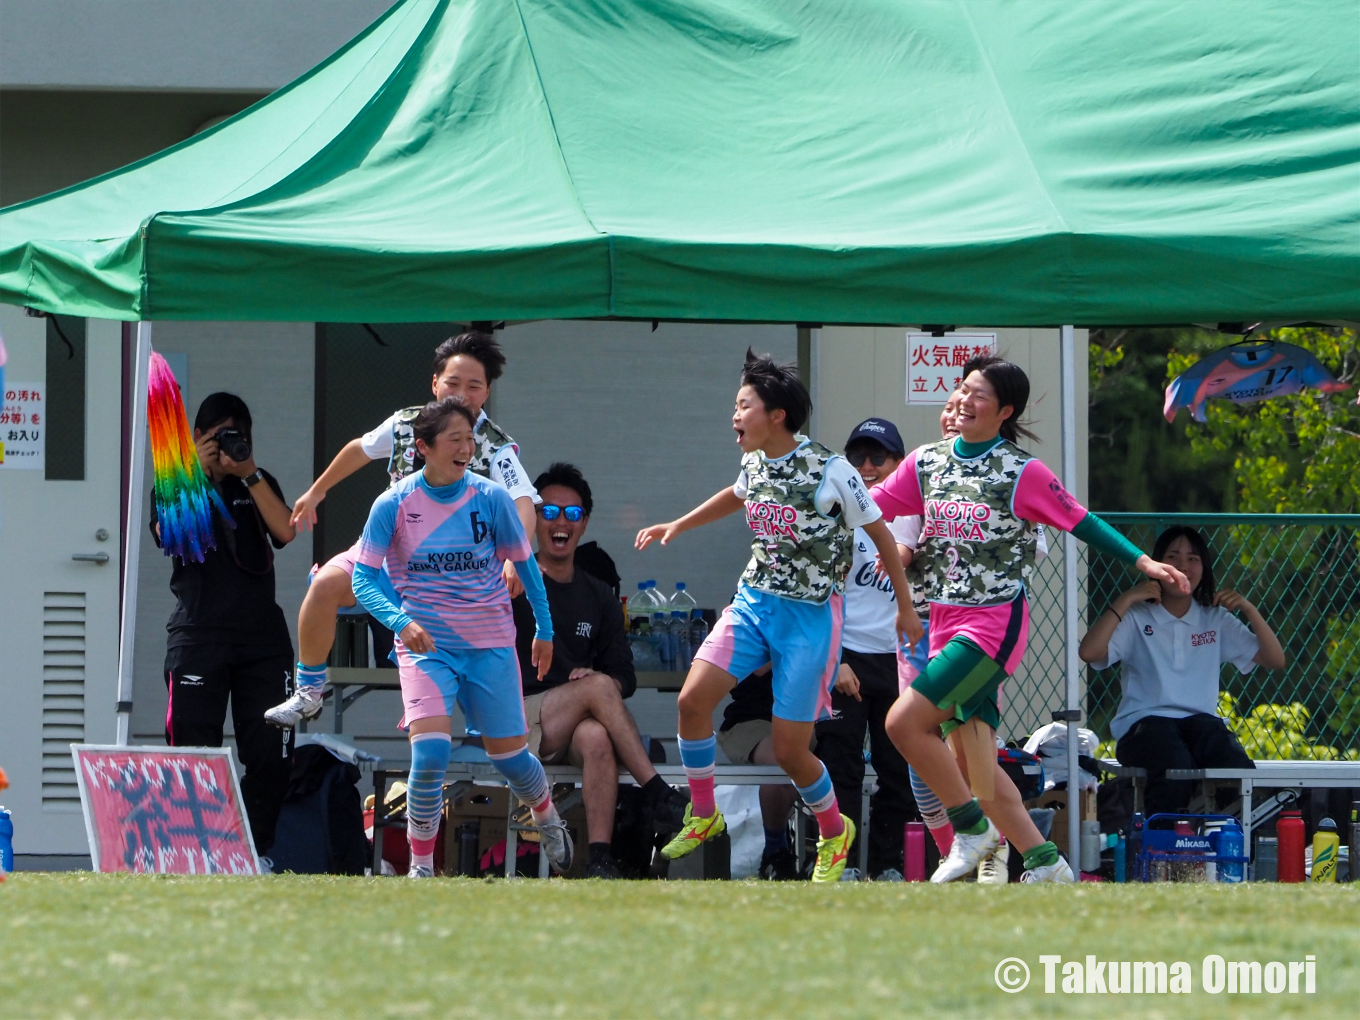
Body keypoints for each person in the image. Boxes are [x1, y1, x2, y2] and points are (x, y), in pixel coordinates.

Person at [871, 356, 1190, 883]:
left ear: (1005, 411)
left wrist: (1142, 561)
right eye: (963, 389)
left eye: (979, 395)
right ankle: (1047, 864)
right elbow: (874, 506)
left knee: (903, 723)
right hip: (943, 624)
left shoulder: (1020, 471)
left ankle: (971, 831)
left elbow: (1080, 520)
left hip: (991, 627)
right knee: (975, 760)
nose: (964, 401)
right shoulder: (926, 461)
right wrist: (819, 497)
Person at [636, 349, 920, 883]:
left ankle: (836, 832)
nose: (735, 416)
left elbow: (882, 536)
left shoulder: (833, 469)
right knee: (692, 701)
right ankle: (703, 811)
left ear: (777, 415)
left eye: (744, 405)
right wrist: (679, 524)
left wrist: (905, 608)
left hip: (810, 618)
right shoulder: (754, 460)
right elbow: (737, 496)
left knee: (792, 751)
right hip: (754, 603)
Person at [266, 331, 539, 728]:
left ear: (486, 392)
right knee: (324, 584)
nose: (461, 393)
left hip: (452, 578)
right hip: (390, 555)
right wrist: (315, 492)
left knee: (484, 724)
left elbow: (524, 503)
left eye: (473, 386)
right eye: (452, 382)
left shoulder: (495, 446)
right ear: (434, 384)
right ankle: (308, 692)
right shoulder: (405, 424)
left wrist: (517, 557)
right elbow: (360, 448)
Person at [351, 397, 569, 878]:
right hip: (426, 645)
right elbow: (363, 580)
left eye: (470, 439)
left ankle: (546, 813)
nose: (467, 448)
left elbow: (527, 566)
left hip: (490, 643)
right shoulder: (393, 503)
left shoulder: (490, 498)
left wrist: (545, 630)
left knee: (511, 757)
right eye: (455, 439)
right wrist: (401, 622)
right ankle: (422, 869)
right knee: (430, 752)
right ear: (424, 447)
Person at [510, 462, 688, 878]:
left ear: (584, 523)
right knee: (597, 690)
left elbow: (624, 678)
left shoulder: (599, 597)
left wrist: (590, 676)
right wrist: (595, 687)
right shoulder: (513, 581)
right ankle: (660, 793)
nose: (560, 522)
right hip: (520, 718)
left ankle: (601, 859)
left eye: (571, 514)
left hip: (572, 723)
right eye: (549, 511)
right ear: (533, 518)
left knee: (595, 735)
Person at [152, 392, 298, 858]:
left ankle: (257, 854)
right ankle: (196, 851)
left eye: (237, 436)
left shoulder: (257, 481)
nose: (228, 445)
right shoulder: (173, 486)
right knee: (193, 749)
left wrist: (247, 471)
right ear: (197, 436)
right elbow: (171, 537)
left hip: (262, 640)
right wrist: (195, 472)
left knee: (271, 756)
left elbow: (286, 532)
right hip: (199, 634)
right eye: (219, 436)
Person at [1078, 525, 1284, 816]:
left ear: (1204, 568)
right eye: (1172, 557)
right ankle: (1162, 852)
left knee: (1230, 760)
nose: (1182, 567)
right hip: (1143, 727)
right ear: (1154, 566)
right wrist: (1126, 599)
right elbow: (1089, 652)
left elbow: (1275, 660)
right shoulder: (1136, 616)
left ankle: (1233, 847)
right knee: (1174, 762)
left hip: (1199, 726)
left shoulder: (1215, 618)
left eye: (1192, 559)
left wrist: (1249, 609)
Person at [814, 418, 922, 881]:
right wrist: (835, 659)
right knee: (841, 767)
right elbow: (818, 593)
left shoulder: (915, 510)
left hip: (900, 658)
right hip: (848, 656)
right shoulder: (835, 513)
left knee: (897, 766)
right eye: (858, 457)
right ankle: (837, 866)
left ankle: (887, 865)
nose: (868, 466)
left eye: (879, 457)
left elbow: (904, 552)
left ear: (899, 462)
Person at [716, 666, 802, 880]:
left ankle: (837, 848)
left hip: (812, 718)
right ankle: (775, 850)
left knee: (838, 759)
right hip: (753, 719)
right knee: (782, 761)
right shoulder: (744, 631)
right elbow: (756, 669)